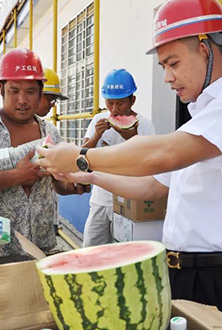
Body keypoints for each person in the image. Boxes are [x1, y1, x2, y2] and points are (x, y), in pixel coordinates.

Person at [37, 0, 222, 329]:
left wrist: (81, 155)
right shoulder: (200, 122)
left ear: (205, 48)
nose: (167, 77)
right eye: (163, 66)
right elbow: (152, 187)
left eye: (173, 63)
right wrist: (88, 174)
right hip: (183, 276)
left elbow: (160, 155)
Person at [0, 48, 88, 282]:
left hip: (43, 249)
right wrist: (16, 176)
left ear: (40, 92)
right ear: (1, 89)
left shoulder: (50, 133)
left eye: (30, 91)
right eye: (14, 91)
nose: (22, 100)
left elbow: (56, 183)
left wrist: (72, 186)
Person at [82, 69, 155, 247]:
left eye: (120, 103)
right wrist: (96, 136)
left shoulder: (145, 125)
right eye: (110, 103)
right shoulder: (98, 120)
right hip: (100, 201)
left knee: (124, 253)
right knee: (90, 250)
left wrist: (130, 136)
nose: (114, 109)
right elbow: (81, 156)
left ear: (132, 100)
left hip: (130, 203)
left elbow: (151, 162)